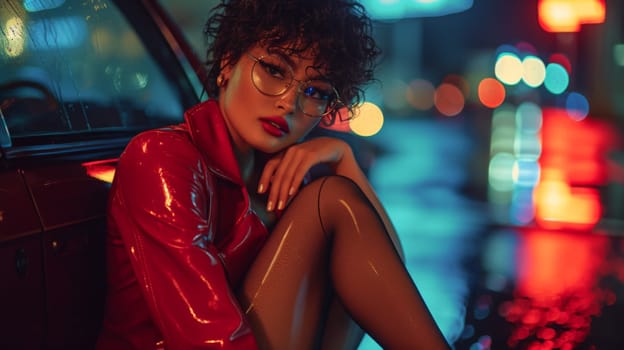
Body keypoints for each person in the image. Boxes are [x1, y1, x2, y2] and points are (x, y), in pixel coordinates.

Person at [97, 0, 450, 349]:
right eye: (275, 70)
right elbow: (205, 338)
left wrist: (344, 159)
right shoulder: (161, 158)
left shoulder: (287, 177)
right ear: (227, 62)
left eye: (315, 92)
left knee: (334, 203)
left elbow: (383, 281)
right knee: (331, 200)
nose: (289, 102)